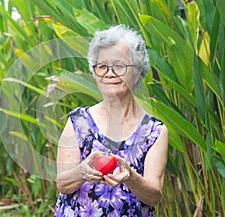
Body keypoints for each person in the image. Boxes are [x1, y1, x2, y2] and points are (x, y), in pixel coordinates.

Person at [54, 24, 169, 217]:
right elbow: (62, 184)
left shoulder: (154, 131)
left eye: (119, 65)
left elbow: (154, 196)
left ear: (137, 71)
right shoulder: (78, 121)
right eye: (102, 66)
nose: (109, 73)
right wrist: (82, 172)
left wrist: (131, 178)